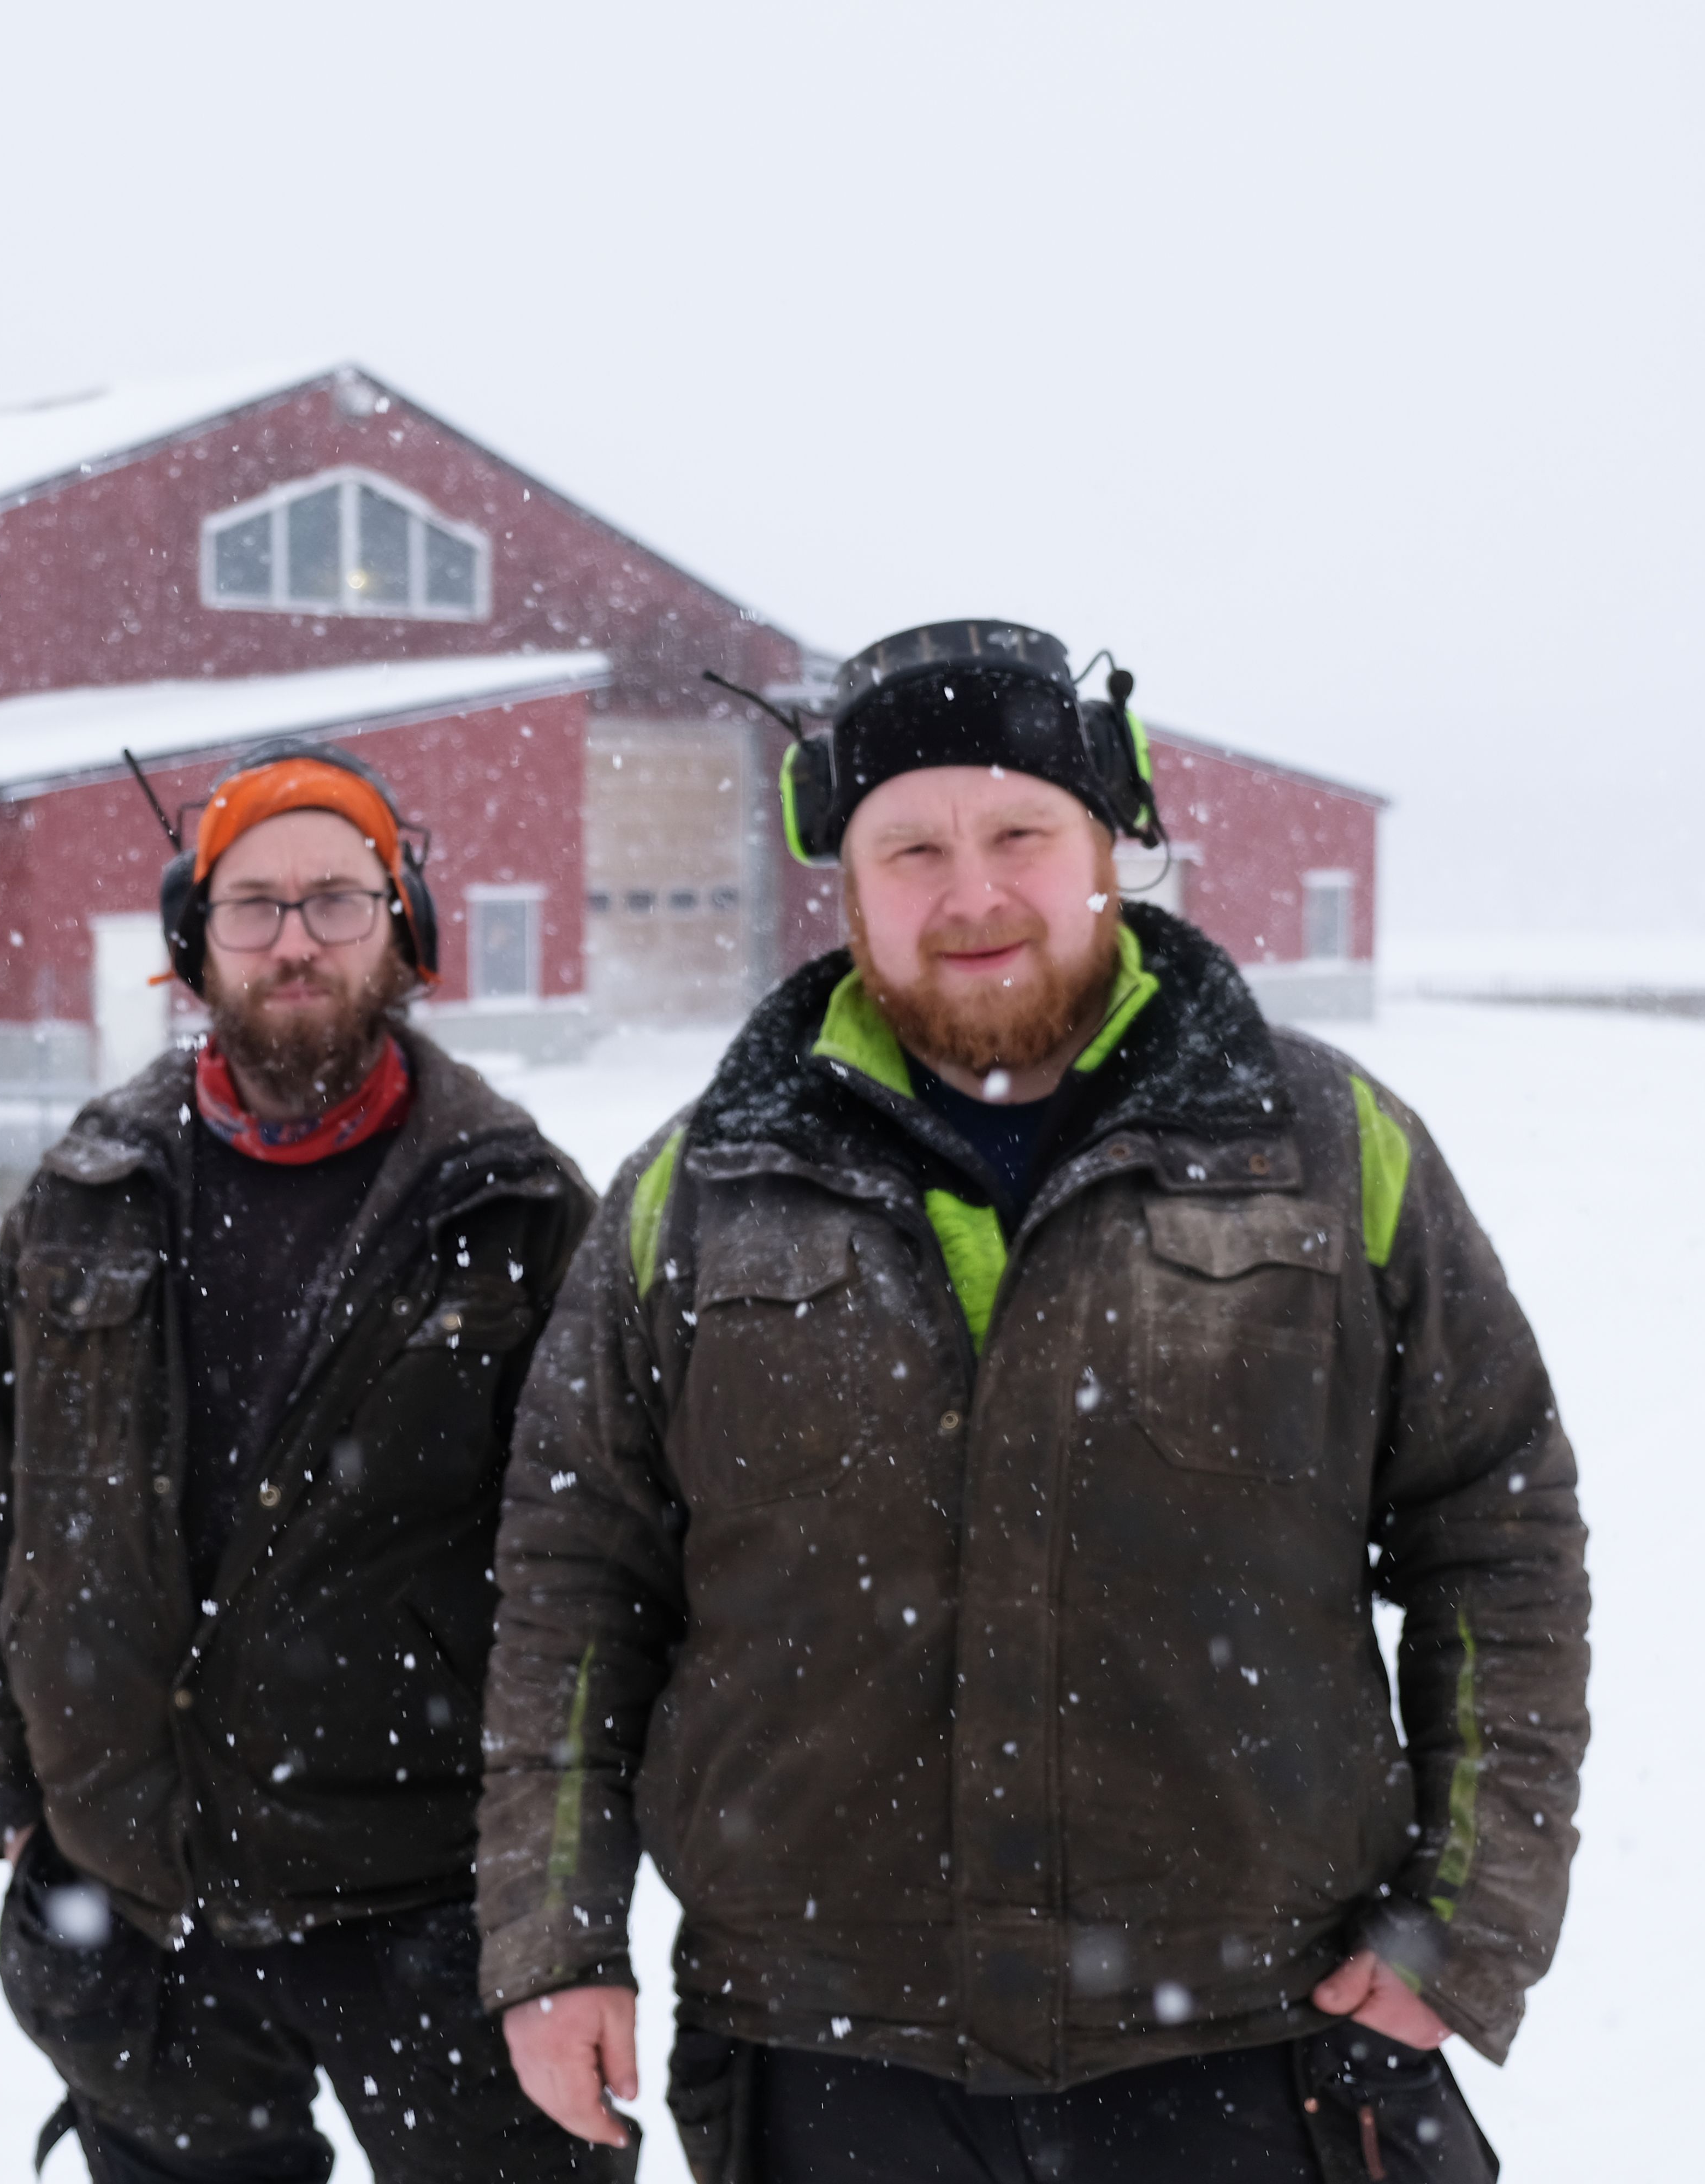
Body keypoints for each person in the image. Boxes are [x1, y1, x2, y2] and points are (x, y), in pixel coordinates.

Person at [475, 621, 1590, 2183]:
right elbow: (575, 1591)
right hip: (828, 2057)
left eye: (1019, 833)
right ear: (844, 881)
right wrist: (555, 1936)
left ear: (1110, 849)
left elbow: (1500, 1536)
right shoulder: (695, 1190)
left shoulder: (1334, 1150)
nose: (974, 893)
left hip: (1254, 2041)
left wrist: (1466, 1923)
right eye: (911, 847)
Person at [0, 741, 617, 2184]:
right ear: (195, 941)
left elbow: (595, 1566)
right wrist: (4, 1773)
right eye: (254, 906)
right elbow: (4, 1499)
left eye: (336, 899)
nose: (294, 939)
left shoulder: (513, 1206)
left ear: (404, 923)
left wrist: (555, 1888)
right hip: (145, 1903)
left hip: (424, 1902)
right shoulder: (88, 1193)